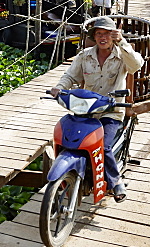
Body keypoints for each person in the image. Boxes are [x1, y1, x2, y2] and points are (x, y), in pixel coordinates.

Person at [48, 16, 143, 202]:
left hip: (111, 112)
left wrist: (122, 41)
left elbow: (136, 65)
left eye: (107, 34)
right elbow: (70, 76)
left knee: (103, 146)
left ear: (113, 36)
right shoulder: (85, 55)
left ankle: (116, 182)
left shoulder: (121, 55)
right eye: (99, 34)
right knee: (70, 138)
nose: (102, 37)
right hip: (86, 110)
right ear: (94, 36)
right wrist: (59, 88)